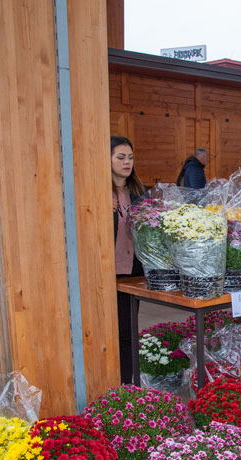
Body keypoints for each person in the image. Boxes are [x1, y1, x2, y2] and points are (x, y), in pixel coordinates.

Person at [110, 136, 147, 384]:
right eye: (121, 157)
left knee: (127, 332)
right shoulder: (96, 193)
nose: (127, 162)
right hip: (106, 272)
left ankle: (126, 384)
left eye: (130, 158)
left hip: (132, 273)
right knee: (105, 332)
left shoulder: (138, 193)